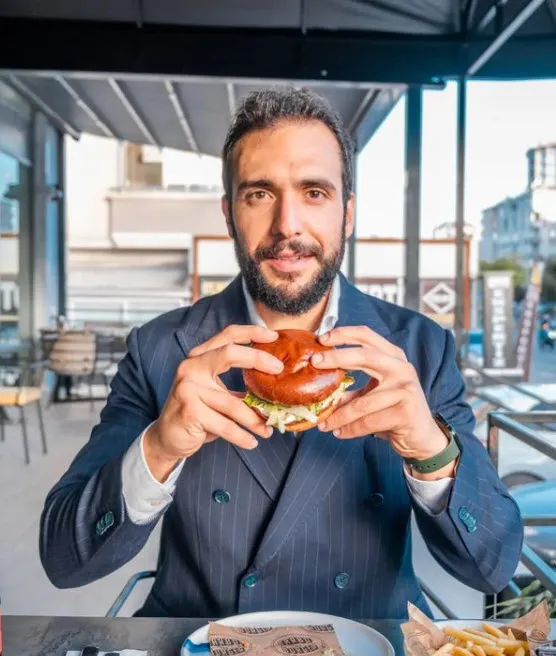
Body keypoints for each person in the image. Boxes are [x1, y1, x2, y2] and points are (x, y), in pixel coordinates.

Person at [40, 89, 523, 620]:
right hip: (199, 641)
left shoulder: (419, 350)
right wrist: (158, 447)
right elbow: (64, 560)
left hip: (369, 640)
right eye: (259, 194)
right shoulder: (160, 349)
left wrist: (429, 449)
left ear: (348, 214)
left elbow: (492, 567)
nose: (287, 225)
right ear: (230, 215)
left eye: (314, 192)